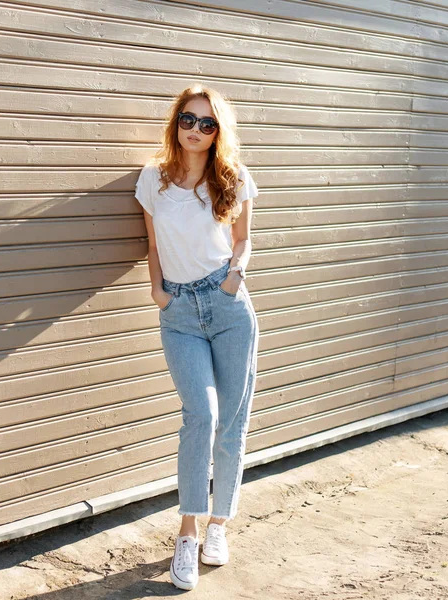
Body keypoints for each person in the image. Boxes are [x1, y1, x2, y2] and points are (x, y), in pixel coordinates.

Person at [134, 83, 259, 591]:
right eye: (189, 119)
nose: (196, 130)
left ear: (218, 132)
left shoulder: (233, 178)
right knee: (200, 416)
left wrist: (235, 277)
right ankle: (187, 532)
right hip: (180, 311)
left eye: (208, 124)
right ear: (176, 121)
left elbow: (244, 237)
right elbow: (152, 243)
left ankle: (218, 526)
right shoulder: (153, 180)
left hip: (229, 306)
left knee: (231, 423)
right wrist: (159, 293)